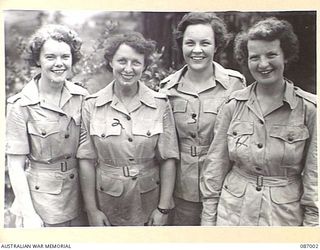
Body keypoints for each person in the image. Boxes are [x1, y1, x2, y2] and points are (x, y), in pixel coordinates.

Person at [200, 17, 318, 226]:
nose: (263, 64)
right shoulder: (233, 105)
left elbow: (315, 177)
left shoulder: (309, 109)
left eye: (271, 55)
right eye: (254, 57)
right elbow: (215, 167)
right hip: (232, 216)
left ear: (286, 56)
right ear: (246, 60)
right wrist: (209, 223)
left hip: (283, 218)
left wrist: (311, 230)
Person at [77, 31, 179, 226]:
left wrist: (163, 208)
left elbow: (168, 158)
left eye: (136, 62)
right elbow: (86, 160)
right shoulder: (92, 104)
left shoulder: (160, 104)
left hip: (149, 201)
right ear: (111, 62)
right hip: (107, 202)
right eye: (122, 61)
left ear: (145, 66)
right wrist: (92, 210)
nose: (128, 69)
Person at [160, 12, 246, 226]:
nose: (197, 50)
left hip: (226, 188)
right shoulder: (167, 88)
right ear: (181, 45)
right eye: (190, 43)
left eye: (205, 43)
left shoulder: (235, 84)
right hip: (183, 191)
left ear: (216, 47)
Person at [5, 24, 88, 227]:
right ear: (38, 60)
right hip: (41, 203)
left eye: (65, 57)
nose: (59, 64)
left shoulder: (82, 97)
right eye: (50, 57)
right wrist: (29, 214)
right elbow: (15, 165)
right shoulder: (20, 105)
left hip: (81, 198)